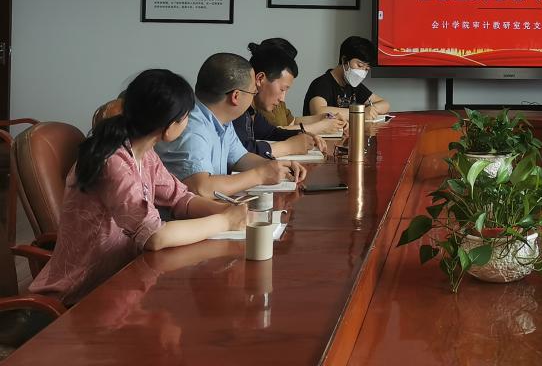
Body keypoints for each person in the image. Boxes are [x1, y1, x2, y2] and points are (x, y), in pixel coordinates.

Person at [29, 69, 248, 306]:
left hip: (120, 283)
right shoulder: (113, 161)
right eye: (186, 117)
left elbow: (180, 199)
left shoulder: (144, 153)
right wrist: (225, 222)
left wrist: (229, 212)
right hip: (80, 296)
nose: (188, 123)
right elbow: (154, 236)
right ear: (168, 126)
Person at [157, 53, 307, 198]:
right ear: (236, 96)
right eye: (253, 93)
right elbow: (201, 188)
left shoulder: (222, 120)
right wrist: (260, 175)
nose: (253, 97)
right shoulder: (192, 127)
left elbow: (240, 158)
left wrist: (276, 166)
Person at [233, 42, 328, 159]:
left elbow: (271, 132)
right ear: (260, 79)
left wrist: (302, 135)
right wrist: (289, 147)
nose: (282, 99)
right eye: (282, 89)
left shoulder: (251, 111)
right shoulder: (236, 108)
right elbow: (239, 153)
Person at [251, 37, 346, 135]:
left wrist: (324, 117)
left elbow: (292, 122)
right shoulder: (258, 102)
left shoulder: (275, 99)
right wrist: (318, 127)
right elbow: (275, 132)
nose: (282, 98)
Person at [303, 36, 390, 123]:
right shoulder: (322, 83)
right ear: (344, 60)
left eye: (367, 69)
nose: (362, 72)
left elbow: (385, 104)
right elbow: (318, 112)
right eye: (359, 65)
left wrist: (371, 109)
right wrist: (360, 113)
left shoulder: (353, 85)